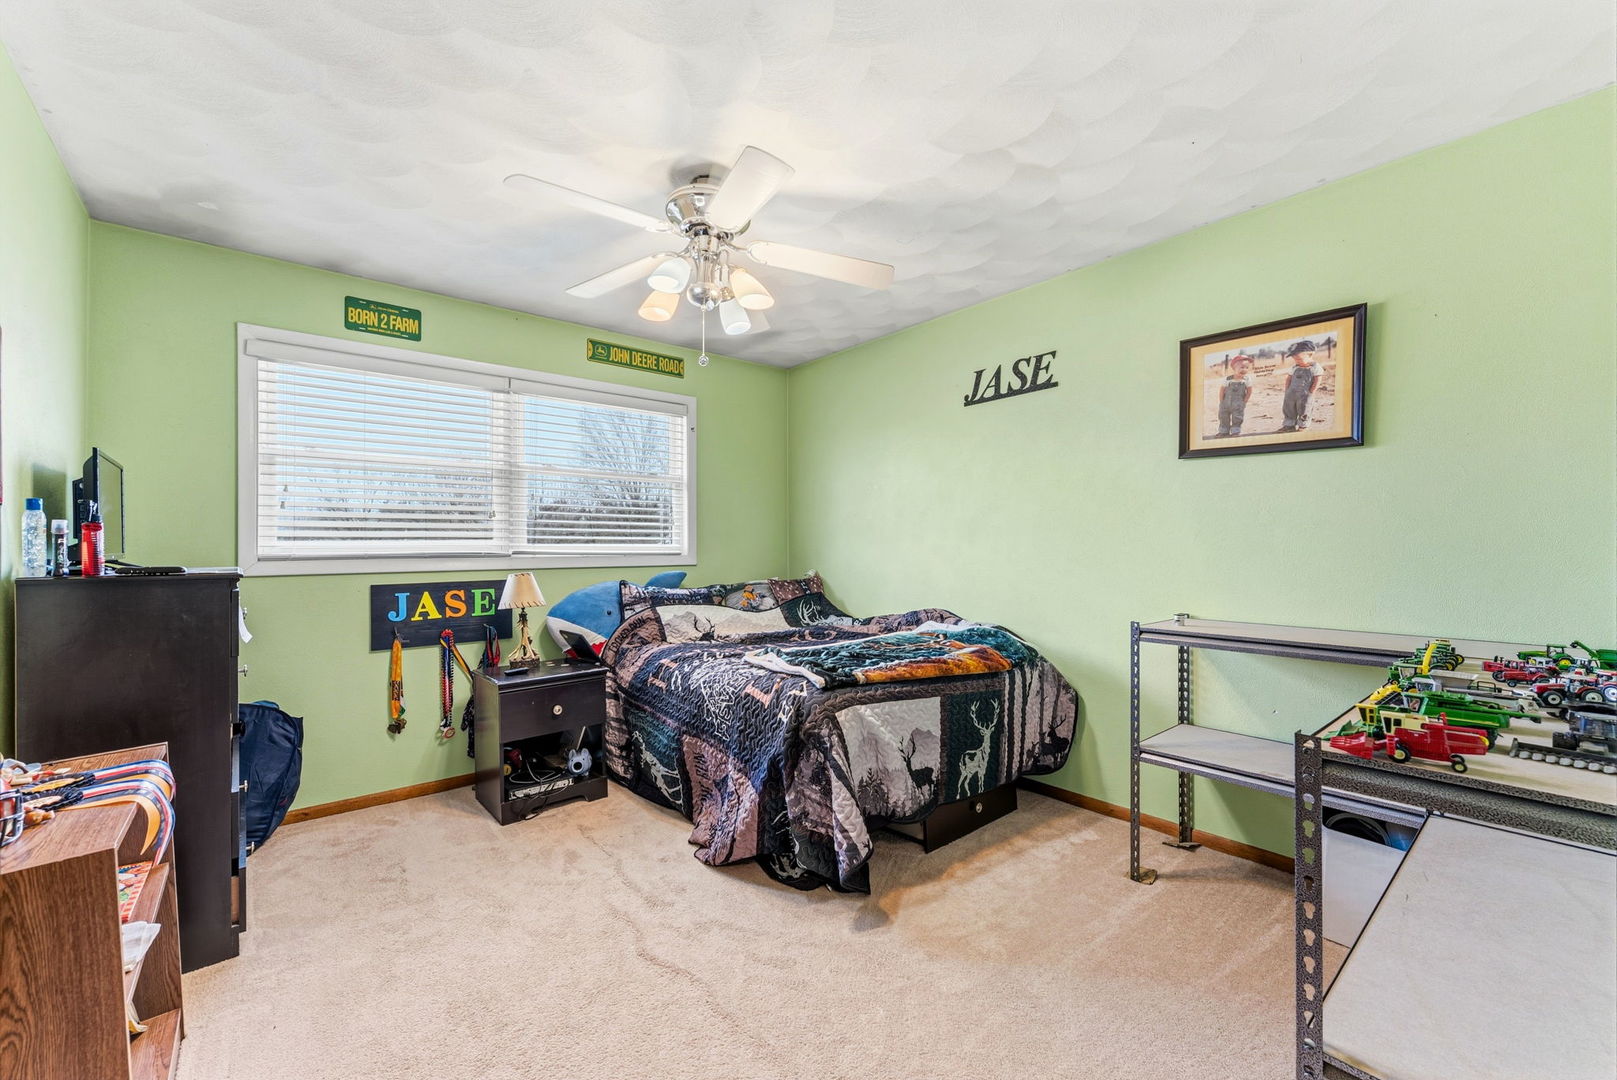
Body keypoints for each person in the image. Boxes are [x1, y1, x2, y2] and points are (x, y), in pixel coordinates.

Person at [1279, 340, 1324, 432]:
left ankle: (1303, 425)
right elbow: (1289, 378)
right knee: (1289, 408)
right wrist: (1287, 390)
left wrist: (1311, 391)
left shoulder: (1315, 367)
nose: (1297, 361)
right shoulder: (1295, 367)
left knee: (1304, 408)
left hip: (1306, 393)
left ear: (1310, 355)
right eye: (1295, 359)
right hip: (1291, 392)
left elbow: (1318, 379)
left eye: (1299, 359)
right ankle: (1289, 425)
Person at [1216, 354, 1254, 436]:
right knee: (1223, 416)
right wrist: (1221, 402)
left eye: (1247, 367)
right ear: (1234, 368)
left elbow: (1249, 391)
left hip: (1239, 403)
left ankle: (1235, 431)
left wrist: (1244, 401)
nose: (1244, 369)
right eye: (1242, 367)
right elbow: (1222, 390)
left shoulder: (1247, 380)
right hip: (1225, 402)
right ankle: (1223, 431)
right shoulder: (1228, 379)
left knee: (1238, 417)